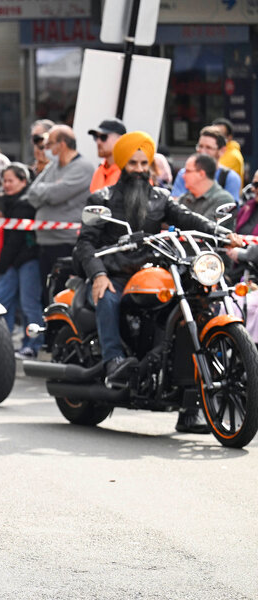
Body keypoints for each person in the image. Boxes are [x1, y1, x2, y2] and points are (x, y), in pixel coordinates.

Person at [77, 132, 244, 416]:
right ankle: (113, 359)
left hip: (152, 270)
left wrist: (223, 233)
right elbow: (84, 243)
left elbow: (189, 218)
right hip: (115, 272)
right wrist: (98, 274)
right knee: (108, 298)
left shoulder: (160, 197)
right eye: (134, 163)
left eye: (145, 163)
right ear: (122, 165)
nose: (140, 170)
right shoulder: (103, 198)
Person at [25, 124, 96, 280]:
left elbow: (56, 194)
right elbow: (32, 193)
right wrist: (49, 191)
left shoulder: (83, 167)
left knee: (62, 292)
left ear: (62, 145)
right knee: (47, 293)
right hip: (45, 242)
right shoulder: (52, 166)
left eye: (49, 144)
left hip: (66, 242)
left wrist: (47, 192)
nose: (46, 149)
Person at [0, 162, 42, 358]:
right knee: (4, 303)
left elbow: (15, 241)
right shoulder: (8, 203)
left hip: (27, 261)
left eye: (11, 180)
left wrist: (0, 265)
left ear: (23, 181)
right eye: (4, 181)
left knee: (29, 304)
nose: (6, 185)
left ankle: (34, 345)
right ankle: (2, 344)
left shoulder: (25, 204)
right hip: (14, 262)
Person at [171, 128, 242, 203]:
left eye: (208, 148)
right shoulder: (185, 173)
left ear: (222, 151)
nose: (202, 151)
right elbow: (176, 203)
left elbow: (230, 210)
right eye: (200, 146)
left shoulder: (230, 177)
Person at [178, 153, 235, 222]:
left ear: (201, 174)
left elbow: (206, 228)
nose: (183, 176)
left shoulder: (225, 200)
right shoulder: (185, 198)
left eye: (188, 171)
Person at [87, 117, 126, 193]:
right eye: (96, 137)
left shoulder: (130, 171)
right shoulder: (100, 170)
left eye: (103, 137)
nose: (98, 142)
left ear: (121, 139)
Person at [211, 117, 244, 181]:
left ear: (229, 137)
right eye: (213, 134)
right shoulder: (215, 150)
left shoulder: (233, 156)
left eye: (220, 135)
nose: (215, 138)